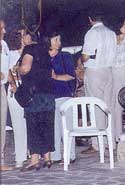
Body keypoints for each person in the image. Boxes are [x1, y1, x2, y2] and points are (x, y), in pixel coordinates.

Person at [17, 32, 55, 172]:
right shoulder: (44, 50)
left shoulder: (29, 49)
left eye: (23, 36)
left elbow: (26, 68)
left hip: (35, 94)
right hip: (48, 93)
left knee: (34, 124)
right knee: (46, 123)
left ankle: (34, 160)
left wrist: (18, 69)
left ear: (28, 37)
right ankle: (47, 157)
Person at [81, 9, 117, 153]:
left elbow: (85, 56)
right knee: (109, 106)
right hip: (108, 71)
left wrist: (83, 58)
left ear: (90, 19)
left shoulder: (92, 33)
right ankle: (111, 142)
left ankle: (97, 144)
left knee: (95, 106)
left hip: (95, 72)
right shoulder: (111, 33)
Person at [6, 27, 35, 168]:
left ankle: (33, 153)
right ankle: (20, 157)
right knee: (18, 126)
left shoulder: (33, 52)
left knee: (31, 123)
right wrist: (14, 85)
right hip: (15, 92)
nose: (28, 36)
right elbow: (7, 70)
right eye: (25, 34)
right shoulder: (11, 53)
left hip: (31, 92)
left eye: (28, 34)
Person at [47, 31, 77, 165]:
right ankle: (55, 156)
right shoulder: (43, 57)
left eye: (59, 39)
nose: (58, 42)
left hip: (64, 94)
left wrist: (56, 77)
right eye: (55, 39)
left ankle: (70, 155)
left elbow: (71, 75)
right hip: (48, 96)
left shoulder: (65, 56)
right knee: (54, 127)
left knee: (67, 126)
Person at [0, 19, 13, 171]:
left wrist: (14, 84)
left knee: (2, 124)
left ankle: (1, 161)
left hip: (2, 87)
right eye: (1, 28)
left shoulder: (4, 45)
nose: (4, 31)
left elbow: (6, 68)